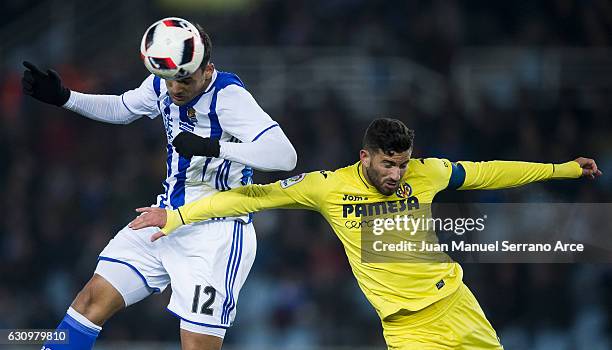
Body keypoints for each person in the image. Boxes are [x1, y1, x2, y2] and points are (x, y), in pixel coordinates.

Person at [129, 118, 602, 349]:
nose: (396, 174)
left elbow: (489, 172)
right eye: (387, 164)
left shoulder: (427, 172)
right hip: (408, 328)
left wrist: (562, 169)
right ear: (364, 157)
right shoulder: (326, 187)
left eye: (401, 163)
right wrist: (174, 218)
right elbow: (251, 198)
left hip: (458, 303)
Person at [22, 18, 297, 350]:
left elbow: (285, 156)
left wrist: (214, 147)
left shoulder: (228, 96)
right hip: (163, 219)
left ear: (207, 70)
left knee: (196, 345)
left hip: (216, 232)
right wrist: (65, 97)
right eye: (169, 80)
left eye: (185, 79)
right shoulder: (162, 83)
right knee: (90, 301)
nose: (175, 88)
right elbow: (124, 108)